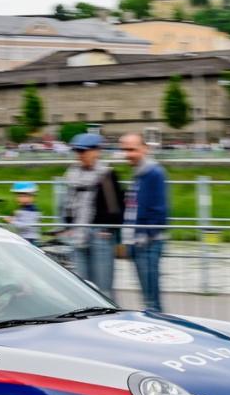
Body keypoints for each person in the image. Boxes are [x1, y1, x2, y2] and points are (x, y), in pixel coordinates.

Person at [60, 133, 123, 297]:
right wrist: (68, 226)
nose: (80, 155)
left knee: (104, 289)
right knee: (81, 287)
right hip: (78, 234)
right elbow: (68, 203)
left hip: (100, 236)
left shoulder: (107, 174)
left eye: (83, 151)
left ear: (96, 151)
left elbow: (116, 206)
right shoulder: (72, 174)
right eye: (78, 151)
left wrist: (107, 230)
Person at [119, 132, 169, 311]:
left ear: (144, 149)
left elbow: (160, 210)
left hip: (147, 243)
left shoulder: (153, 173)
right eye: (125, 150)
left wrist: (145, 236)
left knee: (151, 301)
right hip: (137, 241)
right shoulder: (139, 173)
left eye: (132, 149)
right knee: (148, 298)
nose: (128, 154)